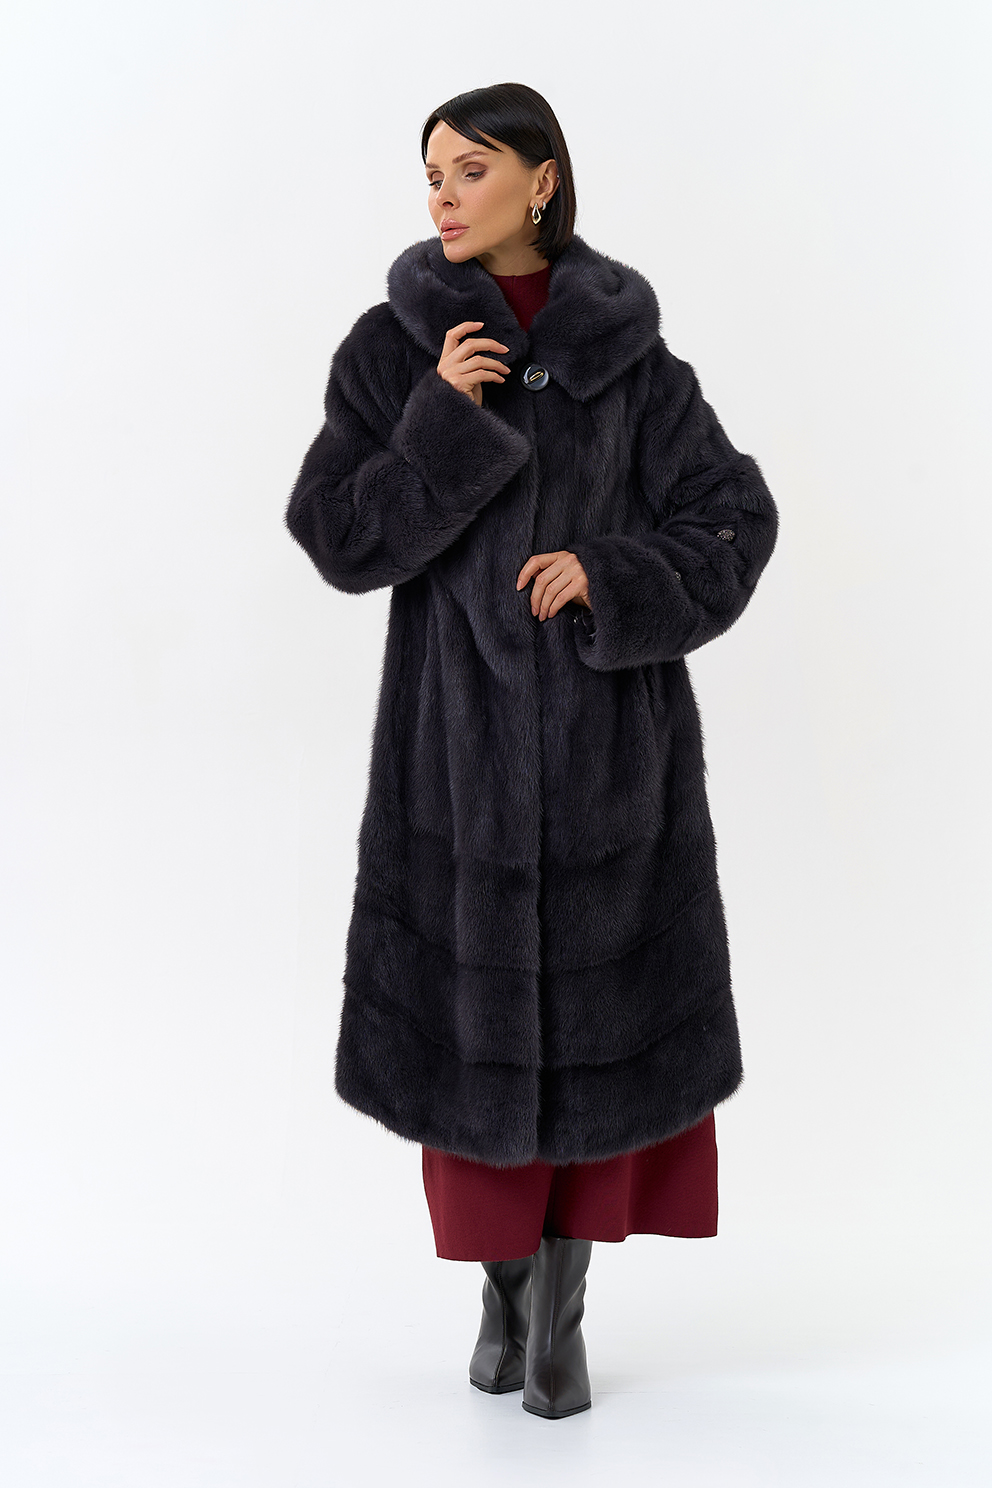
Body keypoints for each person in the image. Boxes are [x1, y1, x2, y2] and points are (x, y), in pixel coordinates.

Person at [285, 81, 779, 1420]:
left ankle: (560, 1317)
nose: (442, 195)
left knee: (602, 1058)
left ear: (542, 178)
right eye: (432, 173)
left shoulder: (631, 359)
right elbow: (339, 538)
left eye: (471, 169)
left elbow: (734, 521)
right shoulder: (394, 350)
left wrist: (613, 575)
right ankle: (500, 1301)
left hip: (616, 765)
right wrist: (442, 419)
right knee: (473, 1060)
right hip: (454, 771)